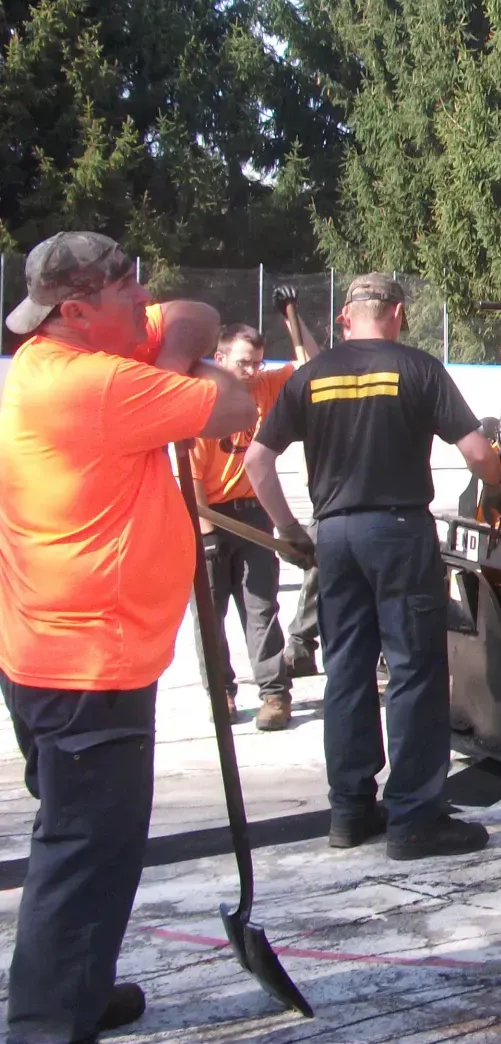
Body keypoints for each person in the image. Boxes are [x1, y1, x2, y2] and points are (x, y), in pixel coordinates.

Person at [0, 231, 255, 1044]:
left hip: (54, 653)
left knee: (82, 837)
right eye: (123, 292)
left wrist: (168, 362)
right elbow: (239, 405)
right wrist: (171, 376)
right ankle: (47, 1024)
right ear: (75, 310)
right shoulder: (93, 385)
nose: (142, 301)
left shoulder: (79, 357)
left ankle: (76, 985)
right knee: (86, 849)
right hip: (87, 666)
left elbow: (197, 312)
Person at [245, 272, 501, 859]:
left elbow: (258, 462)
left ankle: (351, 811)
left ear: (343, 318)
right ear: (400, 314)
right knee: (413, 672)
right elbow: (477, 452)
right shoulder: (417, 369)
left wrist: (290, 530)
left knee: (347, 671)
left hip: (333, 537)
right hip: (398, 532)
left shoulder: (309, 377)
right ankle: (415, 818)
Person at [191, 294, 320, 731]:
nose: (252, 372)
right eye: (244, 363)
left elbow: (311, 370)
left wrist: (292, 319)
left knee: (261, 608)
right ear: (219, 357)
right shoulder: (202, 399)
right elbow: (190, 479)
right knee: (211, 614)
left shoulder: (265, 387)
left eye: (258, 363)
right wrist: (205, 529)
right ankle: (221, 693)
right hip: (211, 518)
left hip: (254, 515)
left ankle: (273, 694)